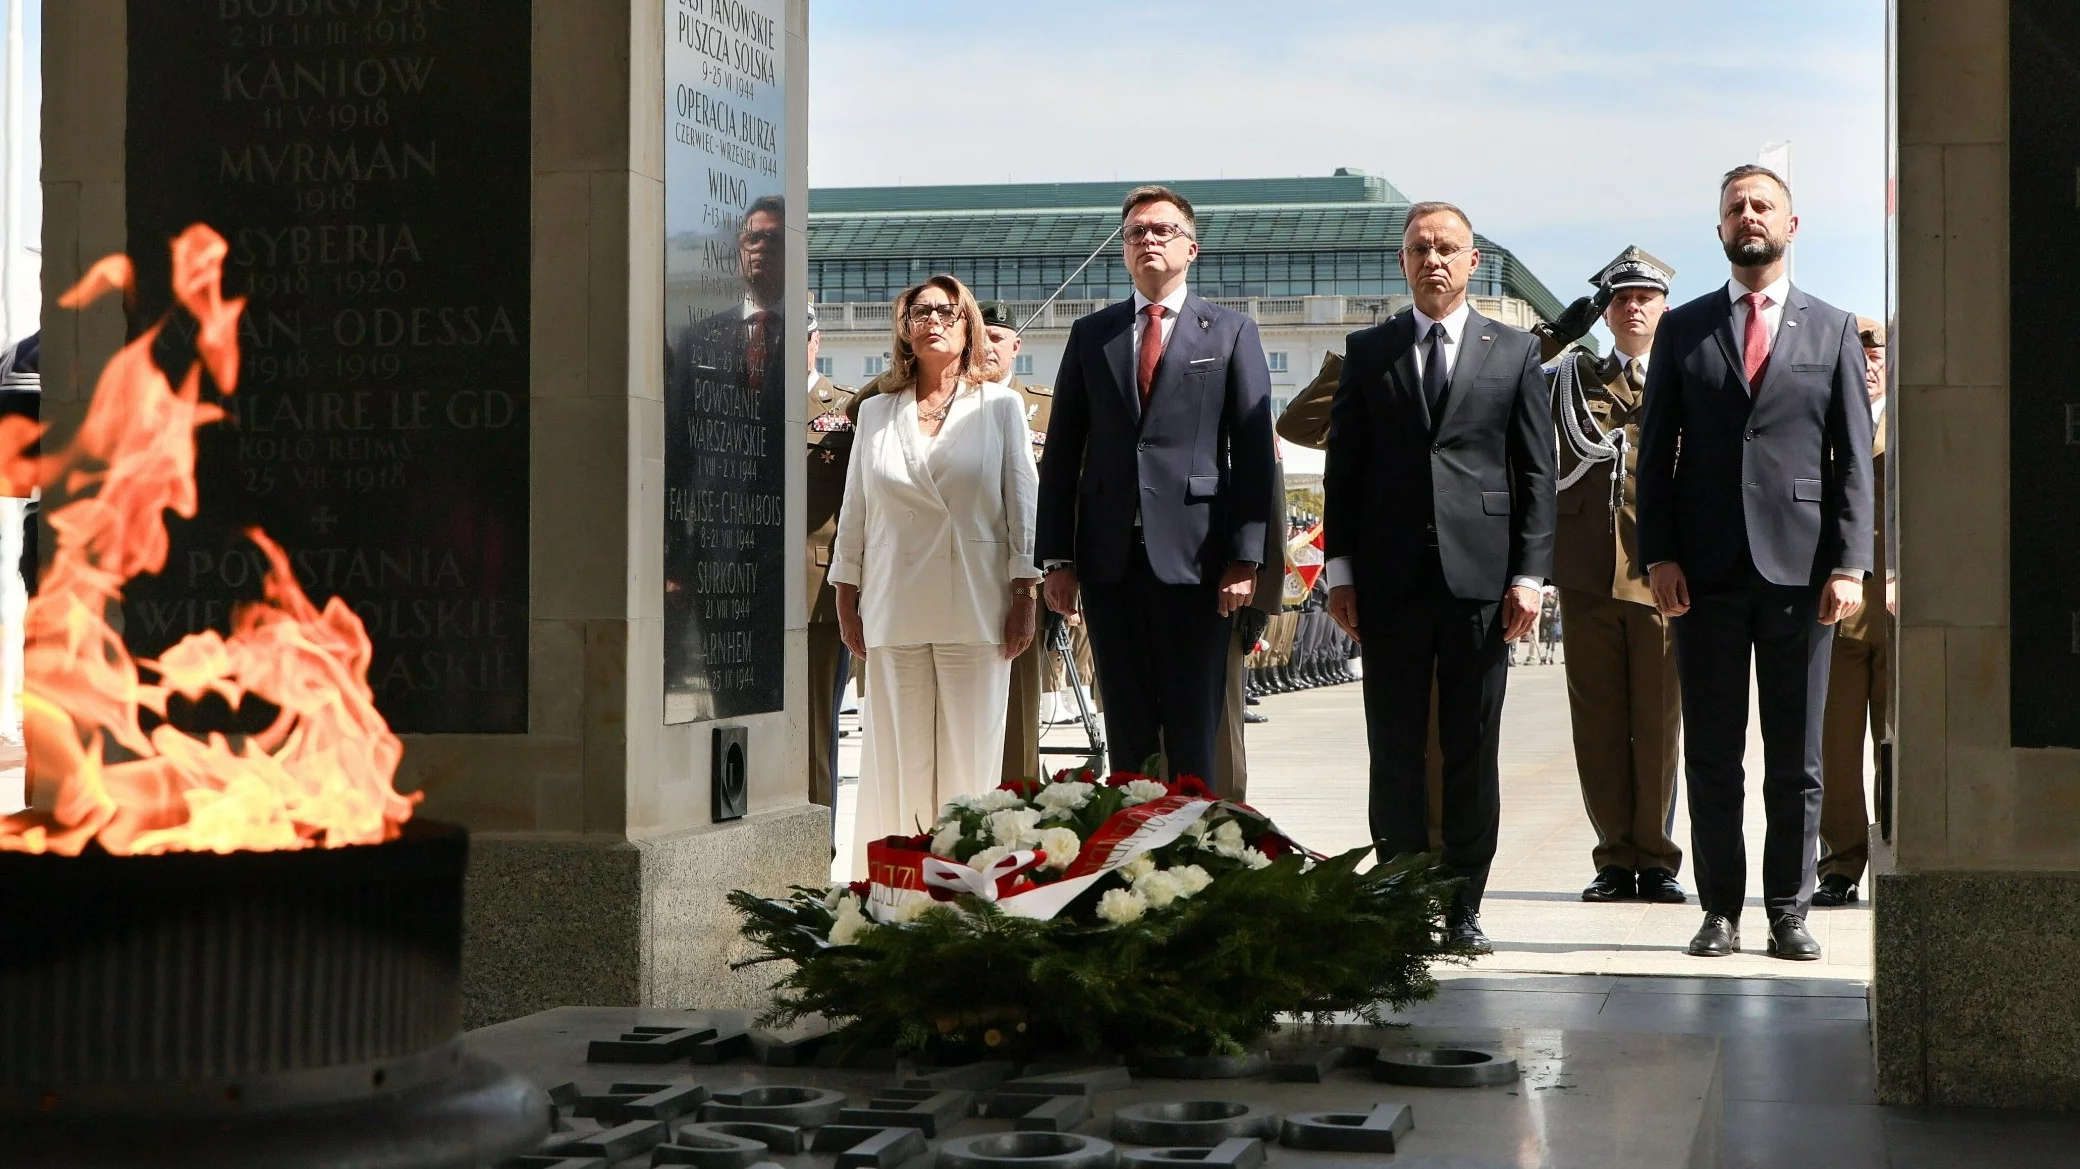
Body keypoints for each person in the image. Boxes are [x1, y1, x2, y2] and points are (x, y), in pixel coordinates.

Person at [1636, 165, 1875, 961]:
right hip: (1702, 575)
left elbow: (1851, 461)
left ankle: (1788, 909)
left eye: (1762, 204)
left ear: (1791, 224)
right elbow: (1655, 453)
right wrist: (1658, 554)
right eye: (1735, 206)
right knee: (1711, 753)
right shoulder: (1684, 329)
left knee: (1797, 759)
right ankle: (1720, 911)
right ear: (1719, 231)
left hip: (1802, 577)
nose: (1749, 215)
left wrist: (1850, 561)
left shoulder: (1833, 328)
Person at [1322, 201, 1559, 952]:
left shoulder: (1515, 351)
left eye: (1447, 248)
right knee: (1393, 747)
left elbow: (1535, 473)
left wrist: (1529, 574)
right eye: (1420, 248)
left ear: (1472, 262)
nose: (1433, 260)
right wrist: (1340, 572)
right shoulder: (1370, 350)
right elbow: (1344, 471)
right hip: (1389, 582)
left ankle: (1463, 905)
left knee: (1470, 747)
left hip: (1481, 583)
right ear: (1402, 262)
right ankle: (1397, 900)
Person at [1036, 186, 1277, 782]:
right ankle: (1134, 865)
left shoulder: (1229, 331)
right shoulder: (1092, 335)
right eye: (1136, 232)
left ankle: (1195, 859)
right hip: (1110, 560)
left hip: (1199, 563)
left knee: (1196, 727)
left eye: (1161, 230)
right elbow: (1064, 451)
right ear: (1123, 251)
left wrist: (1248, 556)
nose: (1148, 240)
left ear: (1191, 247)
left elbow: (1251, 455)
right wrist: (1056, 560)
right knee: (1128, 728)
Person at [830, 276, 1041, 871]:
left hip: (976, 604)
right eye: (921, 311)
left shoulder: (999, 406)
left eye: (949, 312)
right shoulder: (875, 411)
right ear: (903, 327)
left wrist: (1024, 592)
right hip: (894, 603)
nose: (935, 321)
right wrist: (847, 595)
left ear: (969, 326)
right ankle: (897, 888)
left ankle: (967, 888)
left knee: (969, 761)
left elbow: (1023, 510)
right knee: (898, 759)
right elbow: (855, 512)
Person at [1551, 248, 1687, 906]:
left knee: (1659, 724)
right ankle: (1613, 856)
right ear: (1603, 310)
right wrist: (1552, 334)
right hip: (1586, 575)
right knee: (1599, 724)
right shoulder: (1570, 377)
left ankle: (1657, 858)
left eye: (1645, 296)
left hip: (1662, 575)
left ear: (1665, 305)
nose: (1633, 306)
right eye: (1620, 297)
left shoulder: (1686, 372)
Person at [1814, 317, 1891, 907]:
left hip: (1900, 612)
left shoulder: (1915, 420)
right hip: (1834, 609)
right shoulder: (1821, 422)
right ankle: (1840, 862)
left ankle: (1895, 850)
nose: (1867, 362)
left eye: (1877, 351)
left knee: (1897, 743)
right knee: (1834, 749)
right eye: (1856, 352)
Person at [978, 300, 1056, 785]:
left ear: (1016, 346)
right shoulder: (944, 400)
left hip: (1028, 572)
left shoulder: (1045, 406)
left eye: (997, 338)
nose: (987, 347)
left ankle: (1019, 794)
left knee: (1020, 699)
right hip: (964, 566)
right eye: (979, 336)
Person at [804, 307, 858, 840]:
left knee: (818, 729)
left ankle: (816, 847)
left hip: (817, 590)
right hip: (744, 587)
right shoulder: (740, 399)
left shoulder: (844, 409)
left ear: (815, 341)